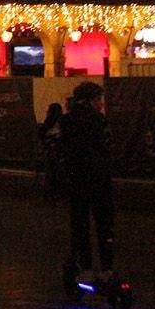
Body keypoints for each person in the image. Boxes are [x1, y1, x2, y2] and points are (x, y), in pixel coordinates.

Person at [59, 82, 116, 278]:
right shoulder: (98, 120)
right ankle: (107, 268)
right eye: (99, 99)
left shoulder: (67, 121)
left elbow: (64, 149)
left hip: (77, 180)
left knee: (80, 225)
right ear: (91, 100)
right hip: (99, 179)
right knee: (104, 225)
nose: (101, 104)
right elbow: (106, 146)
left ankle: (86, 267)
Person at [38, 101, 65, 200]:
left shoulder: (48, 123)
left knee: (51, 173)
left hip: (51, 152)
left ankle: (51, 193)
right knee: (56, 173)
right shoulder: (62, 122)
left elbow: (42, 136)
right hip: (58, 152)